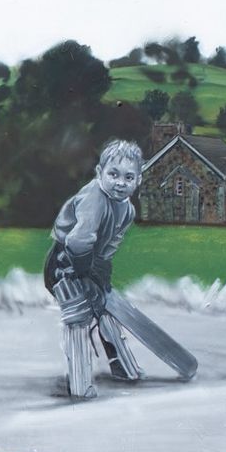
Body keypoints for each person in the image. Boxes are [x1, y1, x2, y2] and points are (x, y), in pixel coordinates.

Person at [44, 140, 143, 400]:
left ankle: (121, 365)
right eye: (113, 174)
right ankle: (79, 385)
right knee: (78, 316)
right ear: (100, 173)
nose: (120, 182)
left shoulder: (127, 209)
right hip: (65, 263)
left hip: (90, 262)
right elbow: (77, 240)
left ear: (138, 181)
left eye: (128, 177)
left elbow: (112, 242)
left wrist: (102, 270)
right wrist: (83, 271)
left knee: (102, 307)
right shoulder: (94, 198)